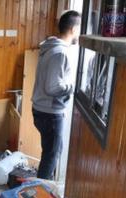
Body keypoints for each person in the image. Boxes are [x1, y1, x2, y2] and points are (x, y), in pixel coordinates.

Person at [32, 10, 81, 180]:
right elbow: (52, 87)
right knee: (51, 156)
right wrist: (73, 86)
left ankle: (43, 187)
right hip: (50, 113)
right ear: (74, 29)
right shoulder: (60, 52)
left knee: (50, 153)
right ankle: (40, 194)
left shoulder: (51, 47)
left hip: (42, 110)